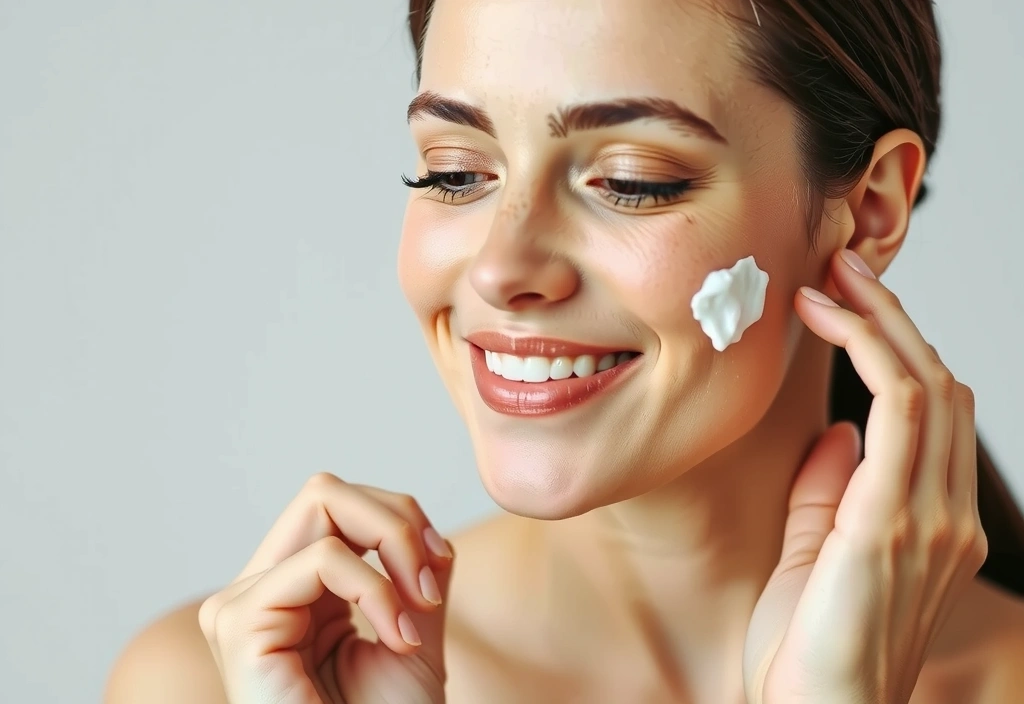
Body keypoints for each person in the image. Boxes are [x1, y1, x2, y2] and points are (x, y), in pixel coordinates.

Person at [105, 1, 1024, 702]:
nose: (505, 267)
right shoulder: (221, 681)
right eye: (455, 172)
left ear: (869, 211)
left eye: (631, 182)